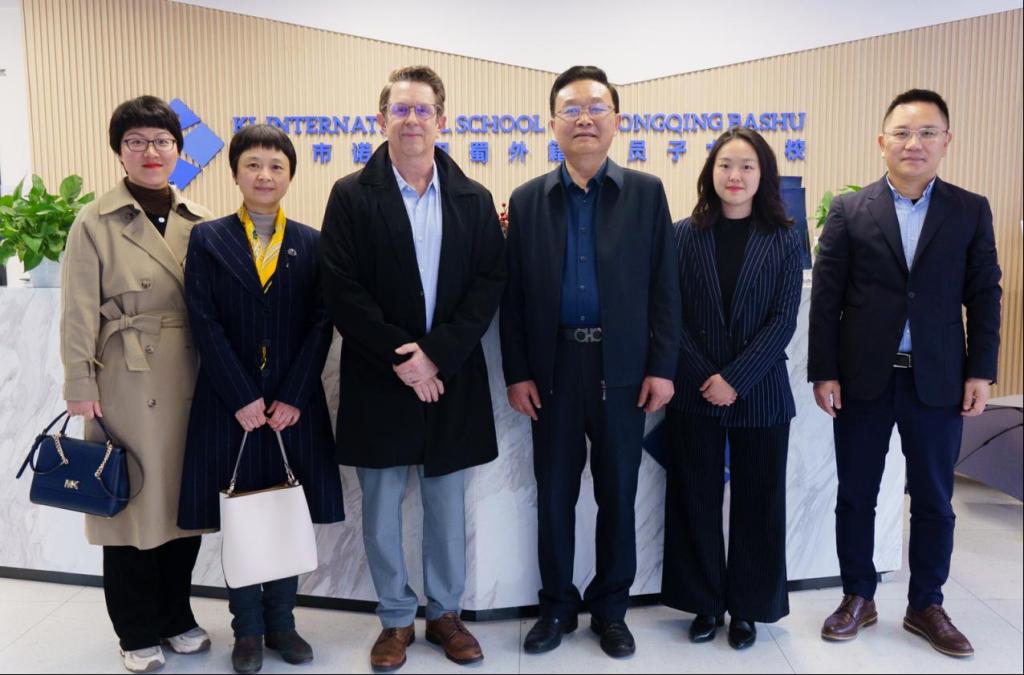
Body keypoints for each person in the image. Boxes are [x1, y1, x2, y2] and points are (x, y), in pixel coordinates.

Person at [319, 65, 506, 672]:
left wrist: (436, 356)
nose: (411, 120)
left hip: (449, 378)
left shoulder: (473, 198)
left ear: (441, 121)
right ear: (381, 119)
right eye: (400, 109)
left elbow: (488, 284)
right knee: (380, 511)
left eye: (423, 110)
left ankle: (445, 614)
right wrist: (405, 358)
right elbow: (341, 288)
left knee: (445, 508)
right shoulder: (351, 195)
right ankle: (396, 618)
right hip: (380, 377)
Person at [809, 89, 1002, 657]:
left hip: (938, 380)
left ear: (946, 141)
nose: (914, 143)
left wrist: (981, 371)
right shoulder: (850, 210)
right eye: (902, 132)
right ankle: (858, 596)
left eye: (927, 132)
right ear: (882, 141)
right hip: (863, 380)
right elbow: (827, 298)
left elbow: (984, 295)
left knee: (936, 500)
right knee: (857, 495)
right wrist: (824, 371)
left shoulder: (970, 209)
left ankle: (926, 605)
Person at [500, 65, 680, 658]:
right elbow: (513, 299)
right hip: (551, 372)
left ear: (616, 121)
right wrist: (518, 373)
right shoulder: (528, 201)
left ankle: (611, 610)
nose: (584, 119)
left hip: (622, 369)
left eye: (596, 108)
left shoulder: (647, 194)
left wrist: (662, 367)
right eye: (571, 109)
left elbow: (666, 288)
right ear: (552, 123)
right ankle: (556, 606)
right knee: (554, 495)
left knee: (617, 495)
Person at [178, 123, 344, 673]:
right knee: (243, 517)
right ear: (235, 173)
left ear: (290, 175)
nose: (265, 175)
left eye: (276, 166)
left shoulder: (312, 242)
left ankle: (283, 625)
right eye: (253, 164)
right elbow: (203, 320)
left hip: (292, 408)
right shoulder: (209, 238)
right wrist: (241, 395)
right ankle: (246, 630)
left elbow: (321, 322)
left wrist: (294, 395)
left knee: (285, 510)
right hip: (231, 406)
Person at [61, 95, 213, 673]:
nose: (151, 152)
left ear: (178, 151)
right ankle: (135, 629)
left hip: (192, 377)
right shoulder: (94, 221)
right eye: (136, 142)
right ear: (119, 152)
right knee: (128, 508)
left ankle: (176, 615)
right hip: (125, 380)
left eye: (162, 141)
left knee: (183, 506)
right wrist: (79, 381)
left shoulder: (200, 218)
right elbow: (77, 311)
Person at [663, 127, 801, 649]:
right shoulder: (682, 235)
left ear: (764, 175)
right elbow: (669, 315)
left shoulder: (784, 238)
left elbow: (783, 319)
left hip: (760, 391)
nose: (735, 175)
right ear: (710, 172)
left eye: (746, 166)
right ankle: (704, 601)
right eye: (725, 165)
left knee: (759, 502)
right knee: (693, 498)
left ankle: (748, 607)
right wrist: (707, 377)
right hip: (694, 390)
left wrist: (736, 379)